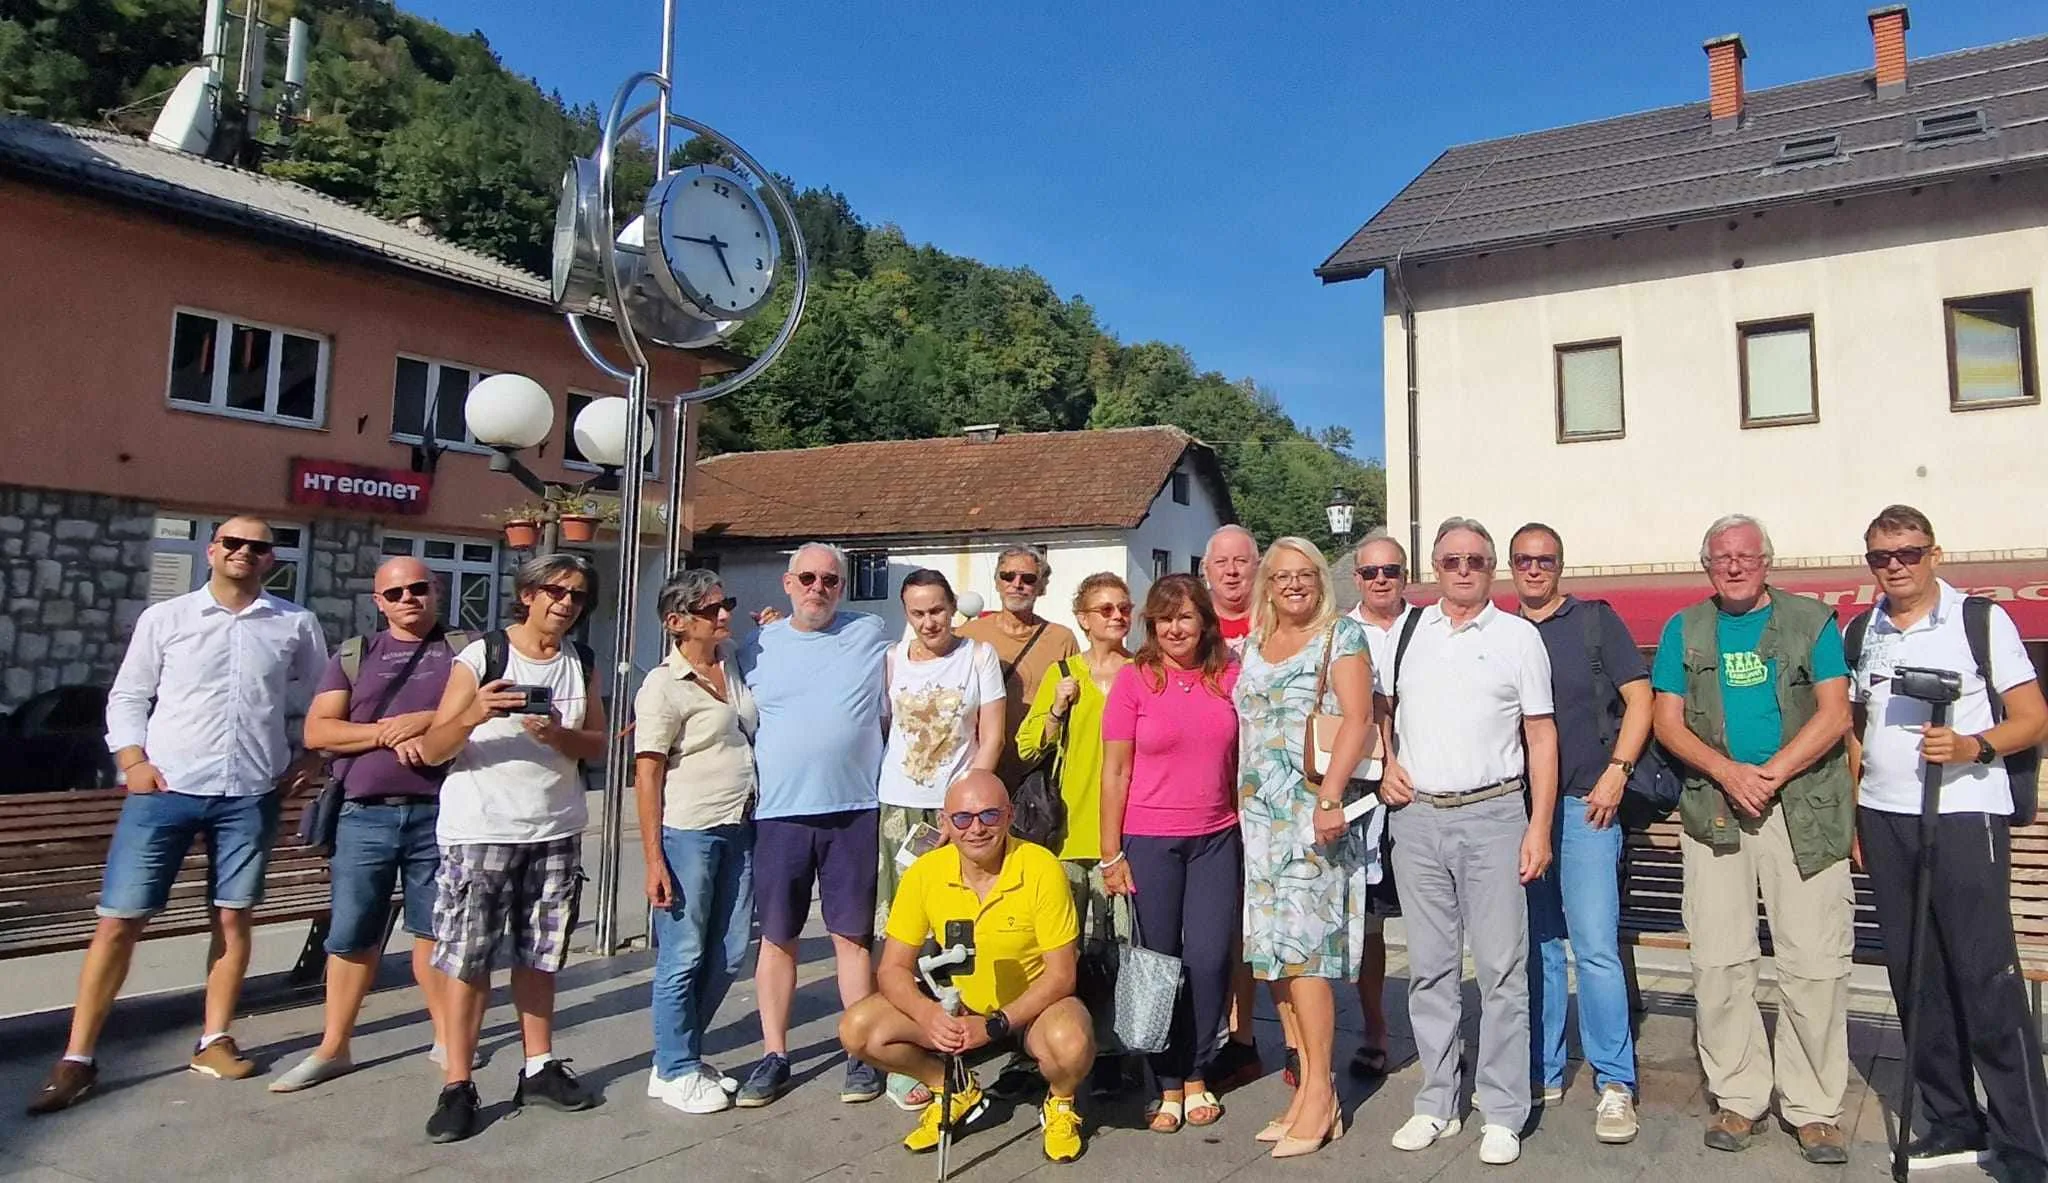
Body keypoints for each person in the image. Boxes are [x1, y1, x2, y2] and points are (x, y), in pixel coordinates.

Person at [26, 516, 326, 1116]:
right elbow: (128, 694)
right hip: (166, 790)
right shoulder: (168, 618)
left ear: (271, 559)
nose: (244, 552)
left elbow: (323, 696)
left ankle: (214, 1040)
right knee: (119, 921)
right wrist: (132, 760)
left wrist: (314, 756)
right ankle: (78, 1057)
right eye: (232, 542)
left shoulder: (294, 623)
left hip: (249, 793)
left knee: (233, 917)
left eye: (258, 546)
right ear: (212, 551)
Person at [1844, 505, 2048, 1181]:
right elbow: (1857, 728)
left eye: (1908, 552)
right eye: (1881, 556)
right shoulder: (1862, 629)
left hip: (1963, 815)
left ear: (1935, 553)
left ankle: (2026, 1141)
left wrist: (1972, 746)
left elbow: (2033, 717)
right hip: (1886, 816)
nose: (1895, 566)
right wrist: (1857, 810)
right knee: (1915, 976)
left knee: (1986, 978)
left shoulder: (1978, 621)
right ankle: (1953, 1119)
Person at [1650, 513, 1854, 1165]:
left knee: (1814, 962)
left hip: (1804, 810)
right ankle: (1738, 1096)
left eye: (1745, 555)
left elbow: (1836, 713)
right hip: (1715, 808)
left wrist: (1771, 773)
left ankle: (1814, 1108)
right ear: (1706, 566)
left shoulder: (1812, 621)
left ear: (1767, 560)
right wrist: (1728, 772)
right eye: (1721, 557)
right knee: (1719, 959)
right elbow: (1667, 723)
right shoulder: (1684, 628)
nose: (1734, 565)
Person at [414, 553, 609, 1142]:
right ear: (527, 594)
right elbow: (433, 748)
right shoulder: (483, 655)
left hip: (554, 829)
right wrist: (476, 712)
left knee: (540, 955)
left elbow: (598, 745)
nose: (566, 604)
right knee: (469, 960)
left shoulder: (581, 660)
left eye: (577, 595)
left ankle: (539, 1067)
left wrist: (560, 735)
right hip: (482, 829)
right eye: (555, 591)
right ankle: (457, 1084)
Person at [1383, 517, 1557, 1167]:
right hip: (1419, 817)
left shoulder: (1518, 637)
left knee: (1502, 969)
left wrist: (1538, 825)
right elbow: (1381, 710)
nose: (1463, 569)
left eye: (1476, 560)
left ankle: (1503, 1108)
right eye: (1452, 560)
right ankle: (1436, 1100)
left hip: (1493, 813)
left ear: (1491, 569)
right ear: (1435, 566)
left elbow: (1541, 735)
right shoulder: (1408, 631)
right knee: (1429, 969)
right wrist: (1386, 763)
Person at [271, 557, 471, 1095]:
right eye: (395, 593)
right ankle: (333, 1047)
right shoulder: (356, 655)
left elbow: (483, 710)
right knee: (352, 934)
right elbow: (319, 732)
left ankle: (447, 1040)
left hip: (442, 813)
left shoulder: (465, 652)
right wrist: (386, 732)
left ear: (436, 591)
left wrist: (424, 722)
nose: (409, 599)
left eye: (419, 588)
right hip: (364, 815)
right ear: (379, 602)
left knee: (435, 931)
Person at [837, 772, 1093, 1165]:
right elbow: (892, 969)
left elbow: (1061, 976)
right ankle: (953, 1089)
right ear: (944, 822)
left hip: (1033, 1009)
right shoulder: (925, 871)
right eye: (963, 818)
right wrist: (929, 1015)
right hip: (961, 1005)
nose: (976, 828)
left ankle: (1060, 1102)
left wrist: (994, 1025)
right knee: (857, 1029)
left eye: (990, 815)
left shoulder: (1040, 866)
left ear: (1009, 816)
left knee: (1071, 1043)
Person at [1234, 539, 1378, 1159]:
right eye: (1281, 576)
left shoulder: (1340, 636)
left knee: (1307, 957)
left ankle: (1321, 1091)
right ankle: (1308, 1093)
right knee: (1275, 958)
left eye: (1305, 575)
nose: (1293, 585)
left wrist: (1331, 798)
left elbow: (1359, 719)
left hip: (1311, 817)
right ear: (1267, 585)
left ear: (1321, 580)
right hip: (1260, 823)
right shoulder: (1253, 644)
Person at [736, 542, 894, 1107]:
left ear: (842, 587)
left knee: (851, 939)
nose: (818, 589)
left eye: (829, 580)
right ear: (787, 583)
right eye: (807, 578)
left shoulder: (870, 632)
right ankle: (773, 1055)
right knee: (778, 939)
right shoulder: (756, 647)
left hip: (854, 810)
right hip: (781, 814)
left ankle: (860, 1050)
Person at [1507, 523, 1648, 1144]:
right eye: (1524, 560)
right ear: (1511, 567)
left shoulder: (1594, 622)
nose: (1534, 569)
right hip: (1519, 811)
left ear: (1561, 565)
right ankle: (1543, 1067)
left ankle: (1615, 1081)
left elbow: (1640, 699)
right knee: (1537, 946)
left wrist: (1619, 771)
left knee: (1593, 947)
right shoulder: (1503, 630)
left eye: (1545, 560)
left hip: (1586, 806)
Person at [1099, 574, 1242, 1133]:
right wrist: (1110, 853)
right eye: (1164, 619)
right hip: (1149, 839)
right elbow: (1114, 771)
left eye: (1185, 617)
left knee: (1208, 959)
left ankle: (1199, 1069)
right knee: (1157, 962)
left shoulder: (1228, 675)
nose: (1175, 628)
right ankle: (1166, 1080)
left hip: (1216, 837)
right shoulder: (1134, 680)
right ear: (1151, 626)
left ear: (1204, 621)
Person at [634, 569, 758, 1115]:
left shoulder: (732, 663)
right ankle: (675, 1066)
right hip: (690, 831)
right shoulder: (663, 686)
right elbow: (647, 773)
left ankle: (680, 1053)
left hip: (740, 824)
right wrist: (653, 859)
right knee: (683, 953)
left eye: (726, 603)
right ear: (676, 622)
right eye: (710, 610)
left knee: (729, 950)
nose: (724, 615)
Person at [1018, 572, 1133, 1098]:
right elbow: (1027, 747)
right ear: (1083, 618)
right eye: (1105, 609)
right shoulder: (1063, 673)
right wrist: (1057, 708)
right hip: (1066, 835)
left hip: (1124, 834)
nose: (1117, 616)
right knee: (1060, 954)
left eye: (1123, 607)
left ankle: (1111, 1051)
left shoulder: (1142, 671)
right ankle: (1044, 1048)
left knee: (1118, 952)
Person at [877, 569, 1006, 920]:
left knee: (958, 911)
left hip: (959, 809)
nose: (929, 622)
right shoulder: (892, 659)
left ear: (952, 607)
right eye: (918, 613)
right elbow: (885, 727)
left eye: (936, 611)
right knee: (904, 915)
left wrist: (962, 806)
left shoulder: (979, 656)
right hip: (901, 802)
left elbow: (993, 738)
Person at [1199, 523, 1270, 1092]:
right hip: (1208, 793)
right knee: (1220, 924)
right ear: (1206, 571)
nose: (1231, 571)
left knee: (1263, 920)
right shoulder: (1193, 628)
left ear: (1257, 567)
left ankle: (1256, 1037)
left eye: (1241, 561)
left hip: (1269, 791)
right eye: (1221, 562)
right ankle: (1222, 1033)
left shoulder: (1275, 623)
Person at [1342, 529, 1413, 1081]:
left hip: (1426, 789)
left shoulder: (1429, 626)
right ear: (1357, 578)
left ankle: (1443, 1036)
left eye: (1390, 571)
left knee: (1437, 923)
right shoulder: (1340, 633)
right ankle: (1375, 1031)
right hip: (1364, 794)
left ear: (1405, 575)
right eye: (1370, 572)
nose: (1381, 580)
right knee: (1367, 926)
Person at [959, 543, 1079, 790]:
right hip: (978, 768)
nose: (1017, 584)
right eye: (1008, 576)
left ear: (1041, 587)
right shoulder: (968, 635)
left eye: (1028, 578)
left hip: (1035, 772)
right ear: (997, 582)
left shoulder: (1061, 639)